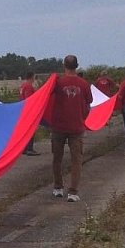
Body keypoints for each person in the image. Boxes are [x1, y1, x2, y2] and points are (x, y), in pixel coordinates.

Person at [48, 55, 92, 202]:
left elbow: (46, 97)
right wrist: (82, 118)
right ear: (77, 66)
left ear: (64, 65)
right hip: (77, 127)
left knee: (57, 159)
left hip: (58, 126)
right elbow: (88, 104)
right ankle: (73, 192)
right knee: (76, 160)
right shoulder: (84, 84)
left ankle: (58, 188)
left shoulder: (58, 83)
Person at [19, 71, 40, 156]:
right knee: (31, 129)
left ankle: (24, 148)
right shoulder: (28, 86)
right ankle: (29, 149)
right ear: (32, 77)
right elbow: (29, 99)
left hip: (23, 110)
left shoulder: (23, 85)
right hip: (28, 111)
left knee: (25, 130)